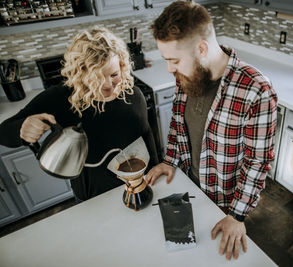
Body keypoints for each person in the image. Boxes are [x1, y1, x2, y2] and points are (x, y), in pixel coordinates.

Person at [145, 1, 277, 261]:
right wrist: (170, 162)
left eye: (173, 60)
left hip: (225, 203)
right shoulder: (187, 74)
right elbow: (178, 125)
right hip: (187, 186)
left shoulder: (256, 90)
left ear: (201, 49)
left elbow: (258, 162)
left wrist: (237, 216)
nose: (170, 69)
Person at [0, 27, 159, 201]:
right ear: (80, 74)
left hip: (137, 185)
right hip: (93, 196)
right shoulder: (60, 98)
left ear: (123, 67)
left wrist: (156, 168)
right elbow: (3, 132)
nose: (108, 85)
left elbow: (146, 133)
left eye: (114, 74)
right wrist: (23, 128)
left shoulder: (133, 95)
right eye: (97, 78)